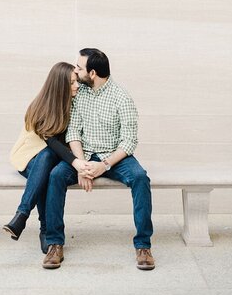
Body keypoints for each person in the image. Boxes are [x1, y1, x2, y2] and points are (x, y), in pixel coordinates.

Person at [41, 48, 155, 271]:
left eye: (79, 67)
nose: (75, 70)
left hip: (114, 157)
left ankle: (143, 245)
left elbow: (129, 141)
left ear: (92, 73)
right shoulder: (79, 93)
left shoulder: (122, 98)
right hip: (84, 155)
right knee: (55, 175)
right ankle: (55, 243)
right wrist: (82, 166)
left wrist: (103, 166)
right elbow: (73, 131)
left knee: (140, 178)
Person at [5, 61, 96, 254]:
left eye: (76, 81)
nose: (76, 86)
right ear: (60, 85)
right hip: (28, 158)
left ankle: (21, 217)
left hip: (52, 158)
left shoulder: (74, 104)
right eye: (72, 83)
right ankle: (43, 228)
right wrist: (76, 163)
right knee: (46, 160)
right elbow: (52, 143)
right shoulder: (39, 107)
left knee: (49, 167)